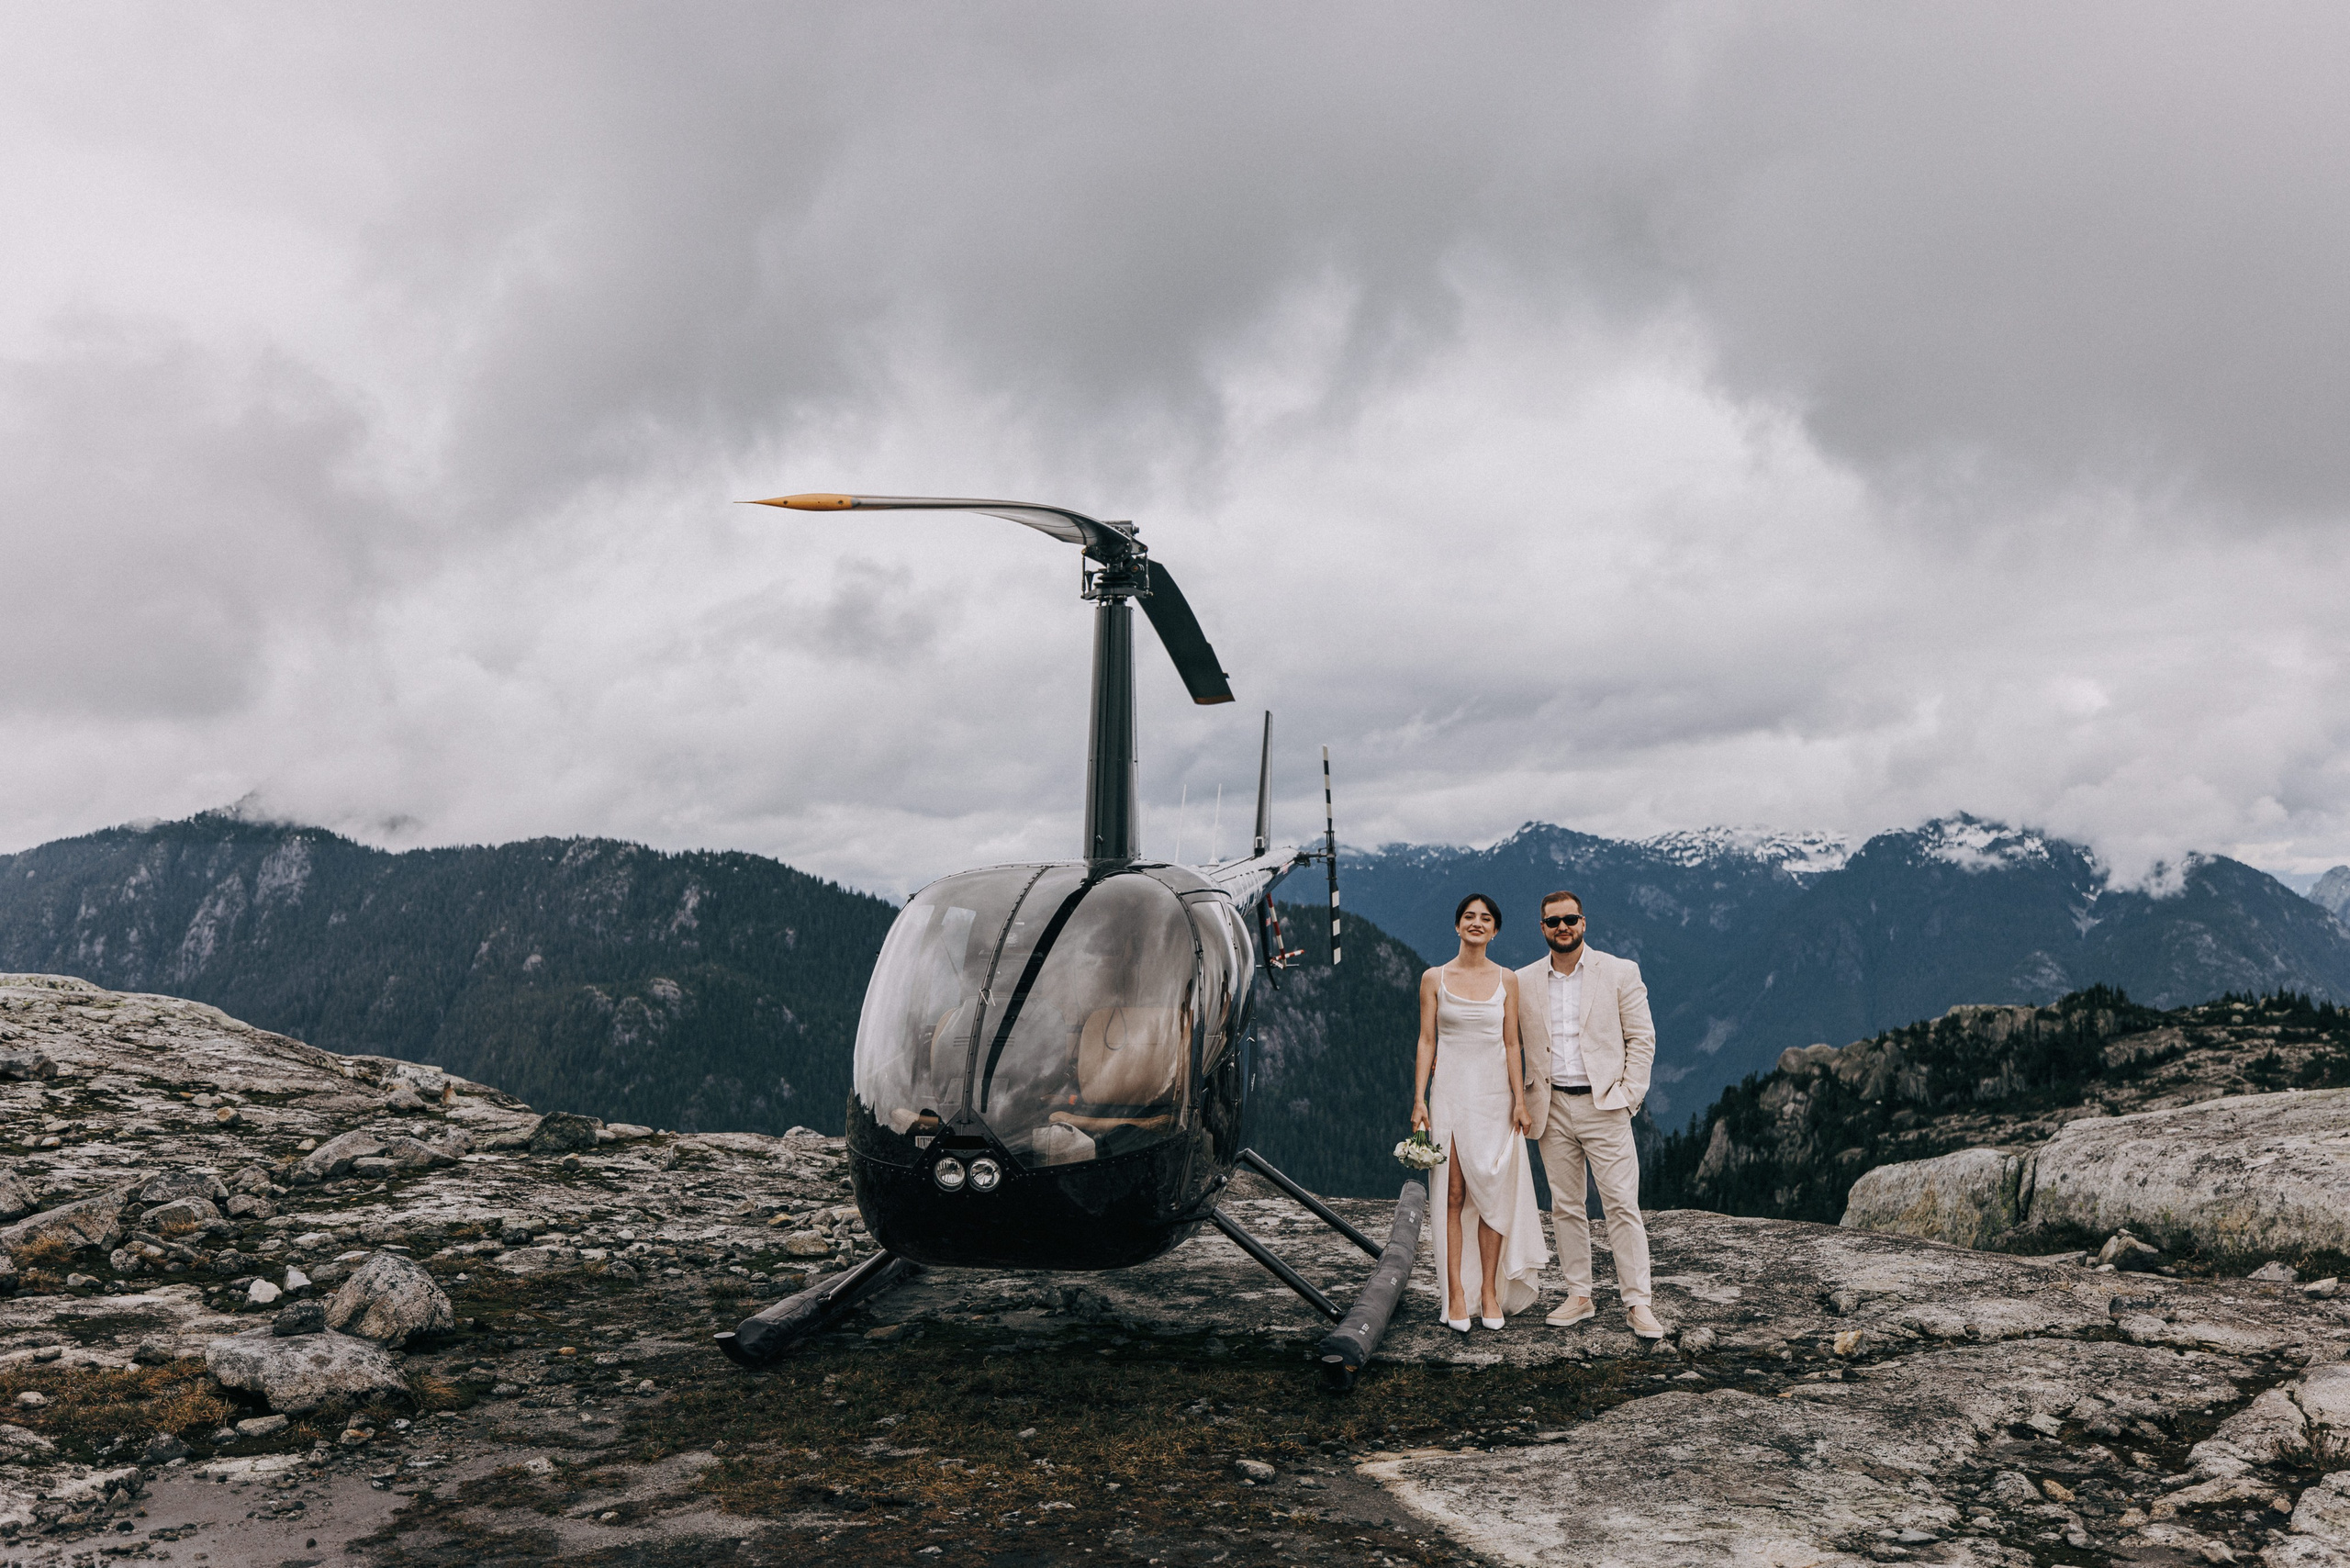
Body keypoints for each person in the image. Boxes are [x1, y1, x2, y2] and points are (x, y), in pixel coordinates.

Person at [1515, 889, 1664, 1339]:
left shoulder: (1619, 971)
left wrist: (1628, 1096)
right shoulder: (1522, 981)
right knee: (1565, 1206)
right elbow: (1505, 1040)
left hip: (1605, 1104)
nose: (1563, 927)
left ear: (1584, 924)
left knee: (1621, 1205)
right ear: (1542, 928)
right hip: (1551, 1105)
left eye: (1570, 919)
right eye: (1554, 921)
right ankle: (1579, 1295)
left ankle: (1638, 1302)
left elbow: (1642, 1038)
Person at [1411, 892, 1546, 1331]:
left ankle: (1489, 1290)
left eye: (1485, 918)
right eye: (1469, 916)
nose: (1476, 923)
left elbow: (1512, 1043)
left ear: (1495, 930)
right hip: (1449, 1095)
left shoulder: (1508, 980)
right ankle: (1455, 1294)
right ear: (1457, 926)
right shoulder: (1434, 978)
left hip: (1495, 1099)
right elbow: (1426, 1041)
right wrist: (1419, 1099)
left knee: (1494, 1194)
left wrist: (1520, 1102)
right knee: (1452, 1195)